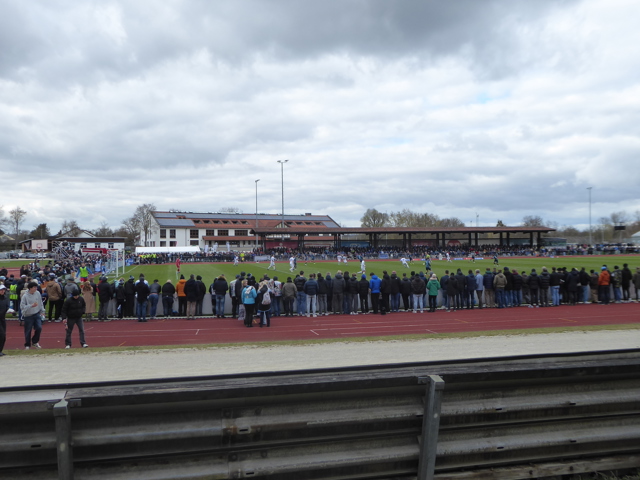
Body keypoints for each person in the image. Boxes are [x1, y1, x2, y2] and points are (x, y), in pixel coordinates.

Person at [21, 281, 45, 350]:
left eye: (36, 287)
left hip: (36, 313)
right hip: (28, 315)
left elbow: (40, 302)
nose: (36, 288)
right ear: (30, 288)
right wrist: (31, 305)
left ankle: (35, 341)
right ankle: (27, 344)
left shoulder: (37, 293)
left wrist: (42, 311)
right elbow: (22, 307)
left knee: (39, 328)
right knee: (28, 330)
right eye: (34, 287)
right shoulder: (25, 296)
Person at [0, 284, 12, 356]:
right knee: (1, 334)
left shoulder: (5, 298)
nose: (2, 291)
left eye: (3, 290)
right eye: (1, 290)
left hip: (2, 319)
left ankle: (0, 350)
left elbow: (7, 307)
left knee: (3, 335)